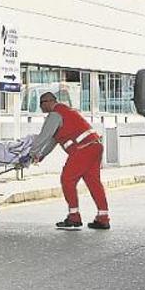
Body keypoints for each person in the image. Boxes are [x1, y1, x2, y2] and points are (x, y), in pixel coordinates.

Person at [28, 92, 110, 230]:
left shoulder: (54, 115)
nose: (40, 108)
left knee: (67, 179)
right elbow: (53, 140)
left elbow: (44, 136)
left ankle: (74, 217)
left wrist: (32, 153)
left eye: (41, 104)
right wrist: (41, 155)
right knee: (94, 182)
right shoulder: (67, 112)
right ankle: (103, 218)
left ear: (47, 102)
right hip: (94, 147)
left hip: (82, 150)